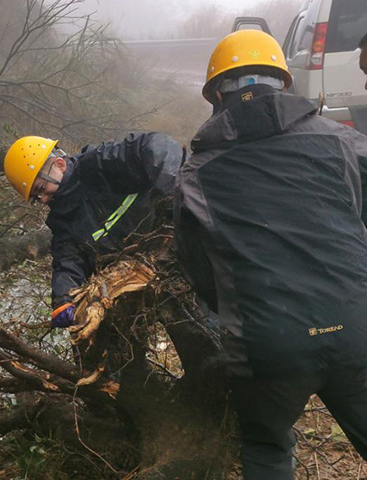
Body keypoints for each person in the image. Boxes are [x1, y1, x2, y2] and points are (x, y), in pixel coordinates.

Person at [174, 29, 367, 479]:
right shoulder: (342, 140)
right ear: (282, 83)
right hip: (357, 324)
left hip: (268, 345)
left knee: (266, 447)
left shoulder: (196, 173)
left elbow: (200, 274)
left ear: (217, 95)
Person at [3, 132, 182, 328]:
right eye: (36, 197)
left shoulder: (100, 164)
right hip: (140, 281)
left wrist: (171, 201)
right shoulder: (62, 219)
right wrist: (63, 299)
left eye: (41, 188)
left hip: (177, 246)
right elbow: (68, 261)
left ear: (59, 165)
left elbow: (158, 147)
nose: (44, 199)